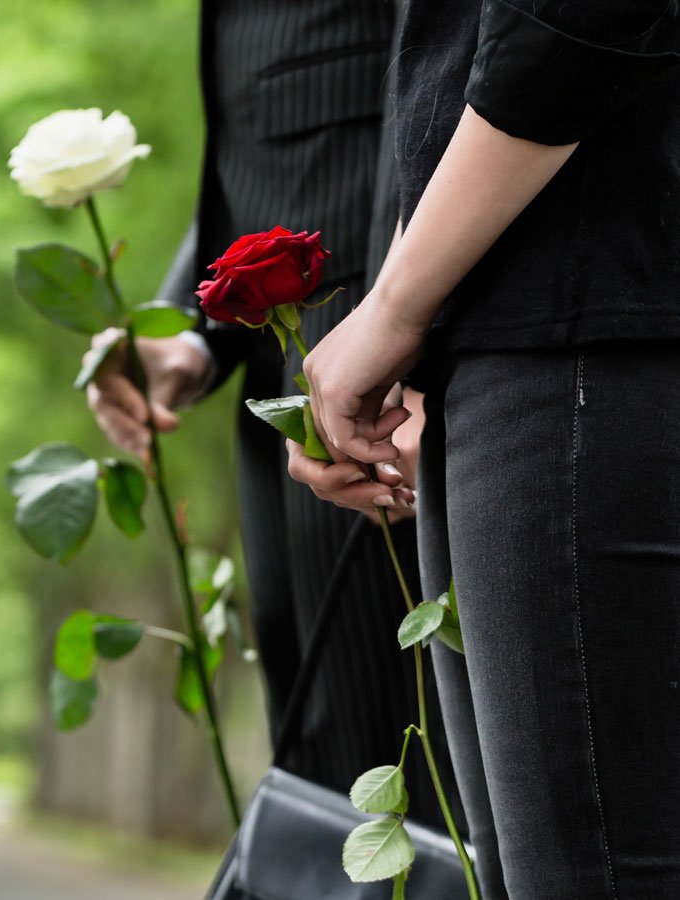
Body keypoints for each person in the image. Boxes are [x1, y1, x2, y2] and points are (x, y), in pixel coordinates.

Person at [290, 1, 680, 896]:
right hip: (513, 329)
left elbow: (575, 19)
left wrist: (398, 310)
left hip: (582, 317)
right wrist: (408, 320)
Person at [85, 0, 457, 826]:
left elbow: (472, 69)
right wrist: (196, 324)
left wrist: (424, 337)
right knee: (333, 776)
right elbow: (265, 151)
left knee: (428, 792)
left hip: (397, 405)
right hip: (294, 410)